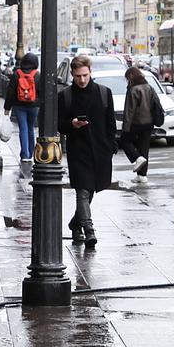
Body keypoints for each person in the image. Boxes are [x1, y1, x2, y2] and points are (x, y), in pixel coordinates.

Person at [59, 55, 115, 245]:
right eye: (77, 76)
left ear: (90, 72)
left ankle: (76, 225)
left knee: (90, 191)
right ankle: (89, 230)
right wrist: (72, 124)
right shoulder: (65, 96)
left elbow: (111, 124)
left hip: (99, 151)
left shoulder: (104, 93)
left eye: (84, 75)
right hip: (77, 151)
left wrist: (110, 148)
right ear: (72, 76)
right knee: (82, 191)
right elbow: (59, 125)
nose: (81, 80)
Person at [119, 66, 163, 183]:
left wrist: (125, 128)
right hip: (149, 123)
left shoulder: (133, 90)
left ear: (130, 77)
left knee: (124, 141)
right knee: (144, 147)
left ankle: (136, 158)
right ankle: (142, 176)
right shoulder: (149, 87)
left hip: (136, 123)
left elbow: (129, 111)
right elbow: (156, 104)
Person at [4, 52, 41, 164]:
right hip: (33, 106)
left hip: (19, 105)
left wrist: (7, 108)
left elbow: (10, 92)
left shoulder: (17, 74)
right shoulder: (37, 75)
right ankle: (31, 152)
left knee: (23, 128)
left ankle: (24, 154)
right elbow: (40, 92)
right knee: (31, 128)